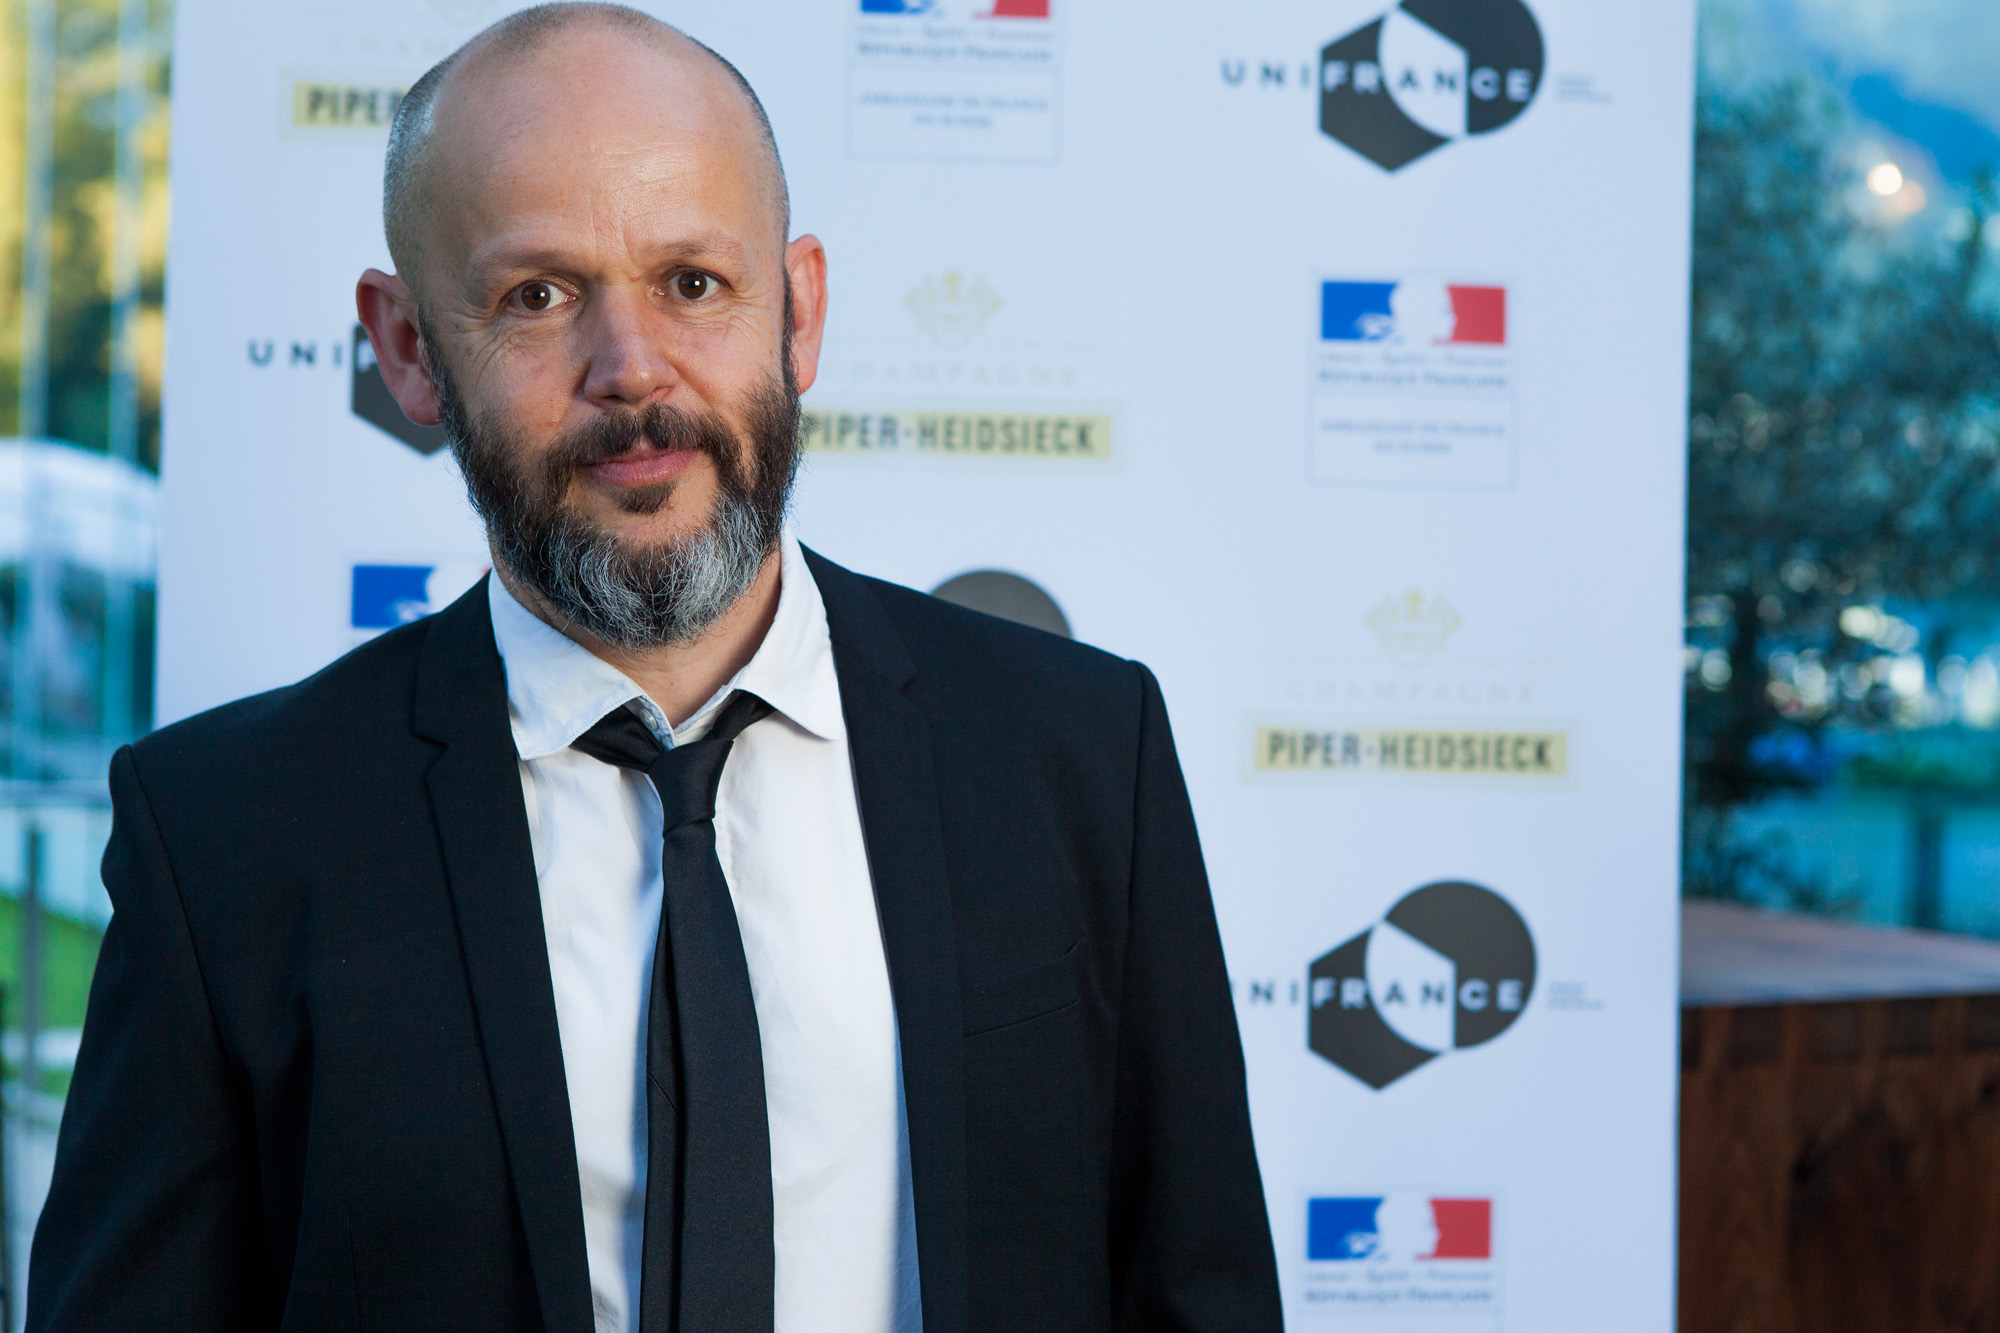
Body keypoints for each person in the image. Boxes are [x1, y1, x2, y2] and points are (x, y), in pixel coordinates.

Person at [26, 5, 1281, 1330]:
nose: (632, 371)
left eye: (693, 282)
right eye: (538, 296)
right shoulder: (225, 834)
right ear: (407, 349)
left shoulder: (1079, 752)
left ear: (798, 311)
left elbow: (1196, 1293)